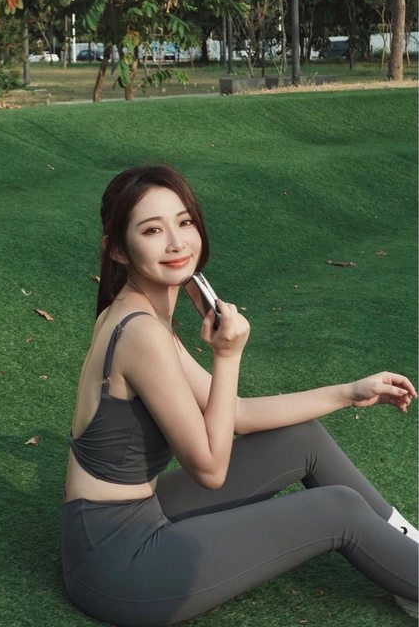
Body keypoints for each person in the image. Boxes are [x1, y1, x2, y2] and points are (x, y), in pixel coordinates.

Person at [62, 164, 418, 626]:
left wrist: (348, 392)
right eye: (152, 230)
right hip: (119, 565)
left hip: (135, 515)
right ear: (118, 250)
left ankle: (407, 547)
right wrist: (227, 357)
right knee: (339, 510)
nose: (177, 243)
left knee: (300, 438)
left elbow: (235, 414)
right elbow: (211, 469)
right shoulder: (141, 333)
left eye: (184, 222)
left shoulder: (140, 313)